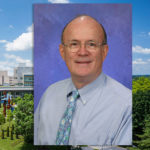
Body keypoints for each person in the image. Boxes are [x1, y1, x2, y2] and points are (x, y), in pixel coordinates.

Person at [34, 15, 132, 145]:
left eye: (91, 44)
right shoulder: (49, 94)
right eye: (74, 44)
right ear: (62, 52)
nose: (82, 52)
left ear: (104, 51)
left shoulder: (127, 105)